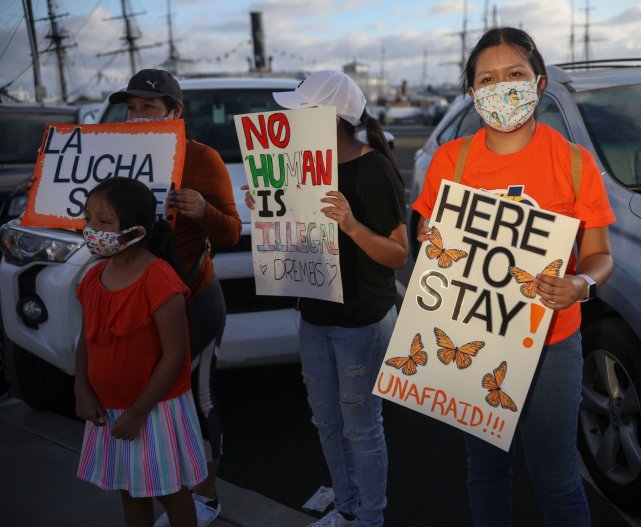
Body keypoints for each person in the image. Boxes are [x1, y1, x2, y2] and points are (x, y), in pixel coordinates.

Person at [412, 27, 615, 527]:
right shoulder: (450, 160)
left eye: (515, 75)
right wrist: (429, 238)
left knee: (557, 478)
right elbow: (427, 235)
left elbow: (600, 257)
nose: (502, 86)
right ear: (472, 92)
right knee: (486, 468)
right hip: (472, 336)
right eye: (488, 78)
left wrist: (579, 286)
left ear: (539, 82)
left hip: (552, 343)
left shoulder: (572, 163)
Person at [244, 70, 408, 527]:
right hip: (313, 313)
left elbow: (398, 255)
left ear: (330, 118)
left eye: (299, 111)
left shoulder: (372, 167)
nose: (289, 119)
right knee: (326, 422)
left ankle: (370, 518)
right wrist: (268, 209)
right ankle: (348, 508)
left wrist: (351, 224)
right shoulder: (295, 164)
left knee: (361, 427)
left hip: (361, 319)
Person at [106, 69, 242, 527]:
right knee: (152, 402)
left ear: (175, 112)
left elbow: (231, 232)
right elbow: (92, 221)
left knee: (198, 399)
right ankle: (161, 486)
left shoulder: (202, 159)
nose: (136, 116)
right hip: (137, 304)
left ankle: (206, 496)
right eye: (131, 107)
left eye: (148, 107)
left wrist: (203, 211)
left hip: (192, 300)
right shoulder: (112, 155)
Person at [74, 178, 207, 527]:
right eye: (88, 219)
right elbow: (85, 339)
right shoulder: (92, 278)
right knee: (129, 489)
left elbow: (174, 354)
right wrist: (82, 390)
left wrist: (137, 412)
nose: (91, 230)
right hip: (111, 409)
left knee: (169, 491)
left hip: (153, 411)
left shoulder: (159, 279)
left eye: (103, 222)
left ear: (135, 230)